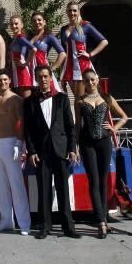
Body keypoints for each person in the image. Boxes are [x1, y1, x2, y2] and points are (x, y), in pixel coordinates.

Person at [24, 65, 80, 239]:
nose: (43, 79)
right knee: (44, 190)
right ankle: (44, 226)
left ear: (50, 77)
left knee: (63, 189)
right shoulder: (30, 102)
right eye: (40, 77)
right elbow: (28, 130)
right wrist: (31, 151)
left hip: (61, 150)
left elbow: (71, 126)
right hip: (41, 152)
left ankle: (68, 227)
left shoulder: (62, 99)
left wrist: (72, 148)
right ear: (36, 79)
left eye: (46, 76)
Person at [76, 69, 128, 239]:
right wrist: (75, 146)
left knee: (104, 180)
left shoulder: (107, 98)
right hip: (87, 142)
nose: (90, 83)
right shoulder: (80, 101)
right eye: (86, 80)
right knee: (93, 180)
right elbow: (78, 126)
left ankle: (104, 217)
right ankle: (100, 221)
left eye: (92, 79)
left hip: (104, 142)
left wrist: (114, 129)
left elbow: (124, 116)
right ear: (83, 82)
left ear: (97, 80)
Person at [0, 71, 30, 235]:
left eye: (4, 79)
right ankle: (6, 220)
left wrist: (19, 142)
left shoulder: (16, 100)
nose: (2, 82)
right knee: (0, 185)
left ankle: (24, 224)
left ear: (9, 81)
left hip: (11, 143)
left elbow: (22, 122)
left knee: (16, 185)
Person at [60, 2, 108, 102]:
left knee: (80, 99)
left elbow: (104, 41)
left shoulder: (86, 26)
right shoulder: (63, 29)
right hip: (69, 68)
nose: (72, 13)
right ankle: (83, 117)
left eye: (74, 10)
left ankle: (90, 116)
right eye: (69, 10)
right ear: (66, 12)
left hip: (82, 66)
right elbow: (64, 52)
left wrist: (90, 54)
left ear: (78, 12)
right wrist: (62, 75)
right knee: (79, 99)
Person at [29, 12, 66, 89]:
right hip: (30, 72)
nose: (37, 22)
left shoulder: (49, 37)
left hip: (43, 72)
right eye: (34, 21)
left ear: (44, 22)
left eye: (39, 20)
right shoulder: (30, 37)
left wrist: (52, 68)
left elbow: (62, 53)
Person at [9, 16, 36, 98]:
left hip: (22, 72)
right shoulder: (15, 38)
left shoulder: (21, 37)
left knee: (26, 100)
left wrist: (26, 63)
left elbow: (34, 49)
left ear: (22, 25)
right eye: (12, 24)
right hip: (15, 71)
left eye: (16, 24)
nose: (14, 26)